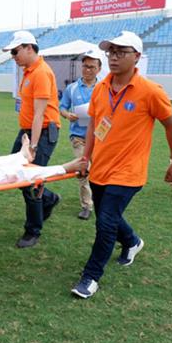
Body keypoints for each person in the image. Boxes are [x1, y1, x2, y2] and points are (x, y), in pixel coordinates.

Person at [71, 31, 172, 299]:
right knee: (108, 216)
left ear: (137, 57)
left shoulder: (151, 91)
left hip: (129, 173)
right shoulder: (101, 88)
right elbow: (95, 124)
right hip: (100, 169)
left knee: (106, 223)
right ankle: (132, 242)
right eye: (111, 52)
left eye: (122, 52)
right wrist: (86, 157)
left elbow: (170, 125)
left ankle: (90, 277)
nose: (114, 57)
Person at [2, 31, 61, 248]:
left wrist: (34, 145)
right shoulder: (29, 72)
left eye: (15, 51)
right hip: (28, 131)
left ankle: (33, 230)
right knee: (16, 173)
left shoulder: (41, 73)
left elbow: (40, 113)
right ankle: (49, 199)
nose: (13, 56)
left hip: (43, 131)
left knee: (31, 178)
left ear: (29, 47)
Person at [59, 49, 104, 220]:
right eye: (85, 66)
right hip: (78, 136)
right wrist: (67, 114)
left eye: (92, 67)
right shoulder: (72, 88)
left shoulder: (104, 88)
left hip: (100, 136)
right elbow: (62, 107)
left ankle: (100, 200)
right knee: (83, 170)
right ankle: (87, 205)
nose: (87, 70)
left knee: (99, 171)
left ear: (98, 69)